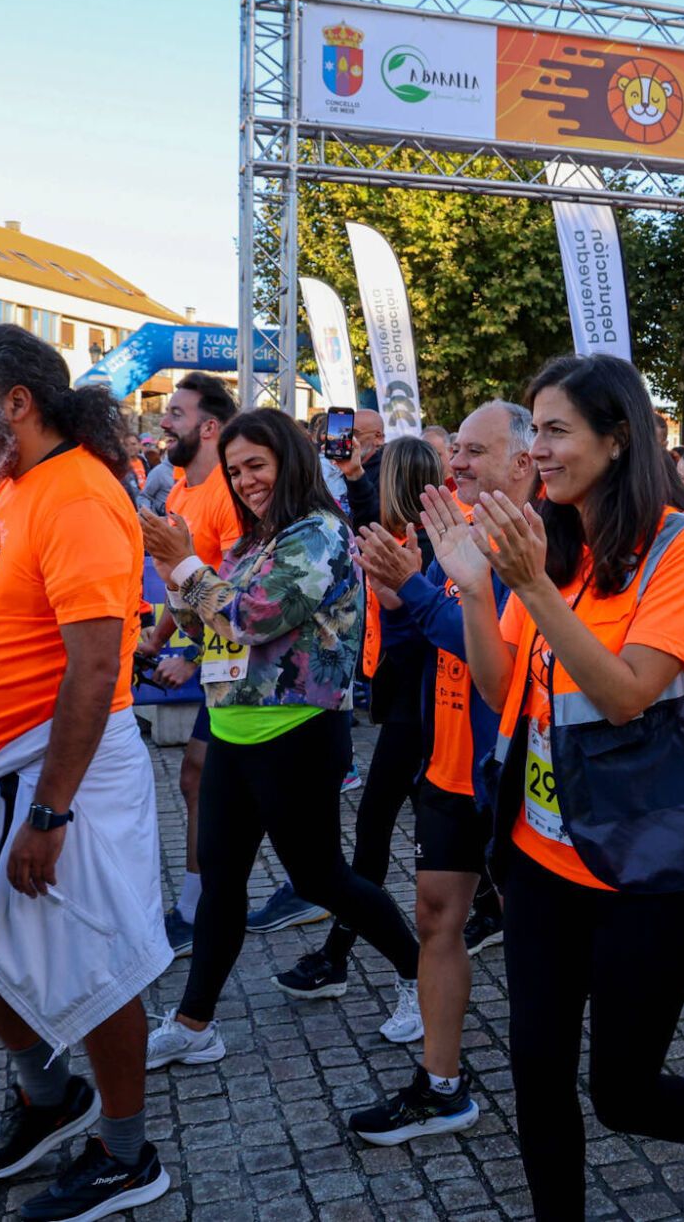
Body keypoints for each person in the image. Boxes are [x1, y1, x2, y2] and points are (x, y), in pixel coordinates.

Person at [437, 354, 684, 1221]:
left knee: (623, 1090)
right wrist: (479, 592)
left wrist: (527, 583)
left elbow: (626, 690)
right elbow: (501, 691)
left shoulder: (683, 551)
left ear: (616, 437)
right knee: (537, 1071)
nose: (539, 448)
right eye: (533, 430)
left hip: (651, 862)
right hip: (540, 859)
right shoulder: (549, 540)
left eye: (556, 429)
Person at [0, 325, 173, 1220]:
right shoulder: (23, 485)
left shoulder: (76, 495)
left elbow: (97, 670)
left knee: (97, 961)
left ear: (15, 403)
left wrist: (52, 812)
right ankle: (48, 1090)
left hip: (64, 775)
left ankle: (128, 1151)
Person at [139, 409, 424, 1066]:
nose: (244, 481)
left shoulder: (319, 534)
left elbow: (248, 617)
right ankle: (194, 1021)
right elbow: (210, 619)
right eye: (235, 470)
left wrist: (185, 567)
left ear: (288, 461)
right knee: (221, 882)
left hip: (296, 733)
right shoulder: (256, 539)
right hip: (235, 730)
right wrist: (175, 567)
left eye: (256, 466)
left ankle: (418, 972)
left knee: (321, 876)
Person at [337, 401, 536, 1143]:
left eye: (472, 454)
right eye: (455, 455)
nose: (454, 465)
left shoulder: (533, 544)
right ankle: (441, 1083)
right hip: (447, 764)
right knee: (435, 919)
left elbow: (498, 663)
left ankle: (582, 1064)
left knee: (543, 940)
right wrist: (397, 584)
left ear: (521, 462)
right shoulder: (454, 527)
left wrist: (417, 592)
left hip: (509, 775)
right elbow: (430, 631)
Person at [275, 436, 441, 1026]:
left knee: (372, 832)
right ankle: (490, 910)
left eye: (377, 472)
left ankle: (344, 957)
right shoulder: (405, 540)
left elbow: (397, 600)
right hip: (400, 697)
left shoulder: (419, 546)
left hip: (418, 707)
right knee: (441, 830)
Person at [136, 371, 243, 956]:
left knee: (201, 775)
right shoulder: (177, 492)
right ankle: (204, 901)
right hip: (212, 652)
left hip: (238, 657)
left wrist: (197, 658)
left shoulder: (231, 495)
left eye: (175, 413)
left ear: (208, 426)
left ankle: (202, 906)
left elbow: (237, 602)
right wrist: (157, 639)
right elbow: (183, 585)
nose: (164, 421)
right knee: (202, 778)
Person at [137, 435, 173, 512]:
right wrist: (150, 516)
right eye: (145, 445)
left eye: (151, 445)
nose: (149, 447)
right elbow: (144, 496)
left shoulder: (192, 469)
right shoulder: (159, 471)